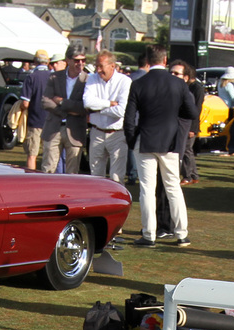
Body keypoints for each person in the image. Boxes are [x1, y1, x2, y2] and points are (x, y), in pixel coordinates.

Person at [126, 44, 196, 247]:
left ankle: (149, 235)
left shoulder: (138, 84)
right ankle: (182, 233)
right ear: (165, 61)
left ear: (148, 61)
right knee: (173, 187)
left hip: (145, 139)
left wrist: (132, 141)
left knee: (147, 189)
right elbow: (191, 112)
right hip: (170, 140)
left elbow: (129, 119)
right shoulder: (178, 84)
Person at [83, 51, 130, 184]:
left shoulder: (124, 81)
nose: (98, 70)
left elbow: (121, 110)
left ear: (112, 66)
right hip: (97, 132)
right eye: (96, 66)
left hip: (117, 134)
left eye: (101, 66)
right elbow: (87, 102)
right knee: (95, 176)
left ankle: (116, 204)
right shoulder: (92, 78)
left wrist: (98, 110)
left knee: (116, 177)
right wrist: (109, 103)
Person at [41, 43, 88, 173]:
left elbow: (84, 107)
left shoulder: (87, 80)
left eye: (83, 60)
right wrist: (66, 112)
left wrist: (62, 102)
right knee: (48, 169)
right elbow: (45, 101)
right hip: (53, 129)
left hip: (75, 132)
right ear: (68, 60)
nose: (80, 63)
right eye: (77, 60)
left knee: (72, 172)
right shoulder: (55, 77)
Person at [171, 60, 204, 184]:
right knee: (187, 150)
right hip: (187, 125)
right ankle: (193, 174)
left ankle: (188, 175)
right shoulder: (189, 88)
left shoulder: (197, 89)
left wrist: (193, 128)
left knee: (186, 150)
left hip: (190, 125)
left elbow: (197, 109)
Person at [19, 49, 51, 170]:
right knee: (49, 155)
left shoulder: (31, 77)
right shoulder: (53, 76)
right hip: (50, 121)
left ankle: (32, 179)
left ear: (35, 61)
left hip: (35, 120)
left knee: (32, 154)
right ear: (47, 62)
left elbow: (25, 103)